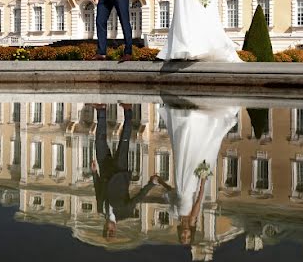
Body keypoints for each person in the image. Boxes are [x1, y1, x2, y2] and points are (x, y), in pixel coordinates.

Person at [155, 98, 240, 245]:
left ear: (180, 232)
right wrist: (202, 179)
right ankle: (192, 123)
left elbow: (172, 192)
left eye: (183, 237)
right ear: (191, 233)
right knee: (193, 154)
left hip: (181, 181)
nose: (185, 235)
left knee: (182, 152)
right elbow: (199, 199)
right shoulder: (192, 218)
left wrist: (160, 181)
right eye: (188, 237)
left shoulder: (176, 214)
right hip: (191, 183)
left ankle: (187, 123)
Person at [91, 104, 163, 239]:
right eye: (111, 232)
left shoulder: (101, 210)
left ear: (103, 228)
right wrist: (151, 184)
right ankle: (128, 111)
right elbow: (139, 197)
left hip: (105, 171)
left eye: (106, 231)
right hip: (119, 172)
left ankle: (101, 111)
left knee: (99, 141)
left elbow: (98, 190)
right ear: (115, 229)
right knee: (124, 141)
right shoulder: (124, 213)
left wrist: (95, 173)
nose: (108, 229)